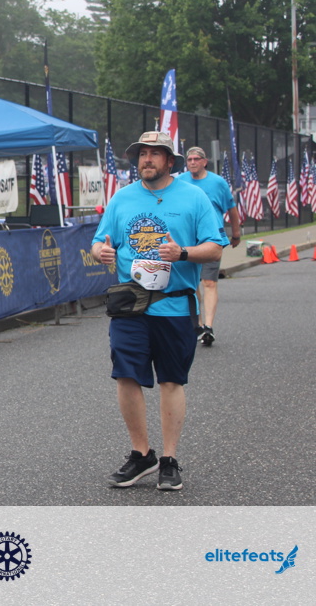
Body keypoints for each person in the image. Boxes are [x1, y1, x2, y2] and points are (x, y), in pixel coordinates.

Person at [91, 131, 223, 491]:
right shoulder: (122, 198)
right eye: (141, 154)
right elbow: (99, 242)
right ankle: (141, 454)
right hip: (129, 305)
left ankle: (168, 459)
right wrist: (101, 253)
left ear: (169, 161)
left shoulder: (193, 197)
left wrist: (183, 253)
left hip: (174, 305)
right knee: (126, 375)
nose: (146, 159)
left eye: (154, 153)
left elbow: (215, 247)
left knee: (171, 380)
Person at [177, 146, 241, 346]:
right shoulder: (180, 182)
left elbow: (232, 209)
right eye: (189, 159)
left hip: (211, 239)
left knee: (209, 282)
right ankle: (198, 324)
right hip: (188, 240)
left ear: (205, 162)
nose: (192, 162)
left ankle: (208, 327)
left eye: (196, 159)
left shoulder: (218, 182)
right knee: (193, 283)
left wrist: (236, 233)